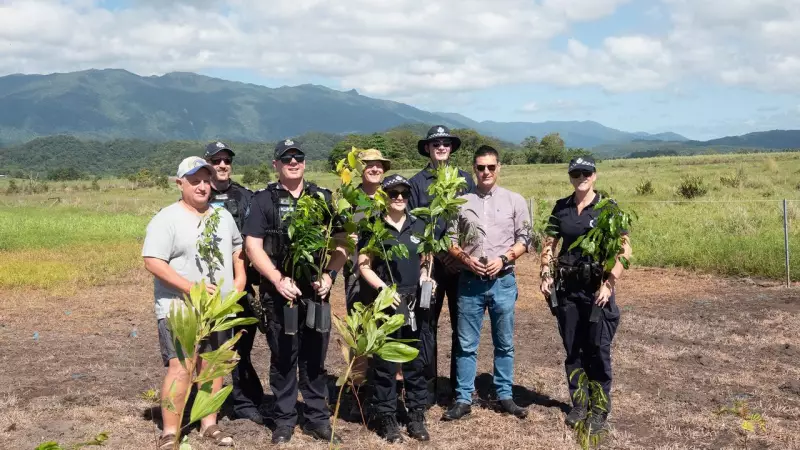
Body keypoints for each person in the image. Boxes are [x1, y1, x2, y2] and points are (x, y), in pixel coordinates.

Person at [242, 139, 348, 444]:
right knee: (283, 358)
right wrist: (277, 279)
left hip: (316, 293)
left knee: (315, 358)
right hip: (279, 293)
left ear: (304, 162)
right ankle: (284, 420)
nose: (293, 162)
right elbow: (252, 246)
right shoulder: (263, 200)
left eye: (298, 157)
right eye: (286, 158)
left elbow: (343, 242)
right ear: (275, 164)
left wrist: (329, 275)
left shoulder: (323, 198)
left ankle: (317, 419)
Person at [142, 156, 246, 449]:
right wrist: (191, 288)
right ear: (180, 183)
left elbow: (237, 248)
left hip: (218, 308)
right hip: (179, 307)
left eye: (206, 180)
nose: (202, 186)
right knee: (181, 367)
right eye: (194, 181)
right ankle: (169, 432)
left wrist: (239, 280)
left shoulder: (222, 216)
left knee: (213, 366)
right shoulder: (166, 218)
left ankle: (209, 424)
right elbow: (153, 261)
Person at [539, 156, 631, 435]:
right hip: (568, 289)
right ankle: (579, 404)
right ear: (570, 177)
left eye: (586, 173)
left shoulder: (607, 208)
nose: (581, 178)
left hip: (596, 290)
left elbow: (625, 251)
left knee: (598, 350)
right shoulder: (561, 207)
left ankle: (599, 408)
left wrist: (609, 284)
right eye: (576, 173)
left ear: (595, 175)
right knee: (573, 348)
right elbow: (549, 244)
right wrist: (545, 273)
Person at [442, 145, 530, 421]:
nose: (486, 172)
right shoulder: (460, 202)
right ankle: (463, 398)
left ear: (498, 167)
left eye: (491, 167)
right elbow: (450, 241)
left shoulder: (515, 200)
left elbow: (525, 238)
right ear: (474, 169)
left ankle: (504, 394)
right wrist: (466, 260)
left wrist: (504, 259)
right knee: (466, 344)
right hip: (470, 282)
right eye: (481, 167)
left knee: (504, 342)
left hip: (503, 282)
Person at [357, 174, 433, 443]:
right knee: (385, 364)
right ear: (384, 196)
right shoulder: (374, 227)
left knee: (415, 360)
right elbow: (364, 265)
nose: (399, 197)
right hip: (387, 303)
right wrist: (383, 290)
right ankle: (387, 418)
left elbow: (426, 258)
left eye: (404, 193)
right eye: (393, 193)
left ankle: (416, 415)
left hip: (414, 302)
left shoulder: (419, 224)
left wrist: (426, 276)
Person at [408, 124, 475, 404]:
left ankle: (460, 390)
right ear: (427, 148)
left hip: (460, 265)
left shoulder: (464, 179)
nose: (441, 147)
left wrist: (460, 254)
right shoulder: (416, 183)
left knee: (463, 326)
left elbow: (473, 220)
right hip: (430, 266)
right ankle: (427, 390)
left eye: (446, 143)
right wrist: (430, 257)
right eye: (436, 144)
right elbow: (413, 224)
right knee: (426, 326)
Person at [203, 141, 263, 425]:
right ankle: (205, 401)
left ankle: (245, 401)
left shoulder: (246, 196)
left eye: (227, 160)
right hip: (205, 288)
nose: (222, 165)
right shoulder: (198, 194)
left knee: (241, 345)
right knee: (209, 348)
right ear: (207, 164)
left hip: (240, 284)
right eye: (216, 161)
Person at [342, 148, 391, 415]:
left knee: (389, 329)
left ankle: (388, 387)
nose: (374, 169)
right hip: (356, 273)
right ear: (361, 169)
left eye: (379, 165)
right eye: (369, 165)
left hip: (387, 272)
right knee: (359, 331)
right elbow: (343, 235)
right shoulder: (352, 198)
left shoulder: (391, 196)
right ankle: (358, 390)